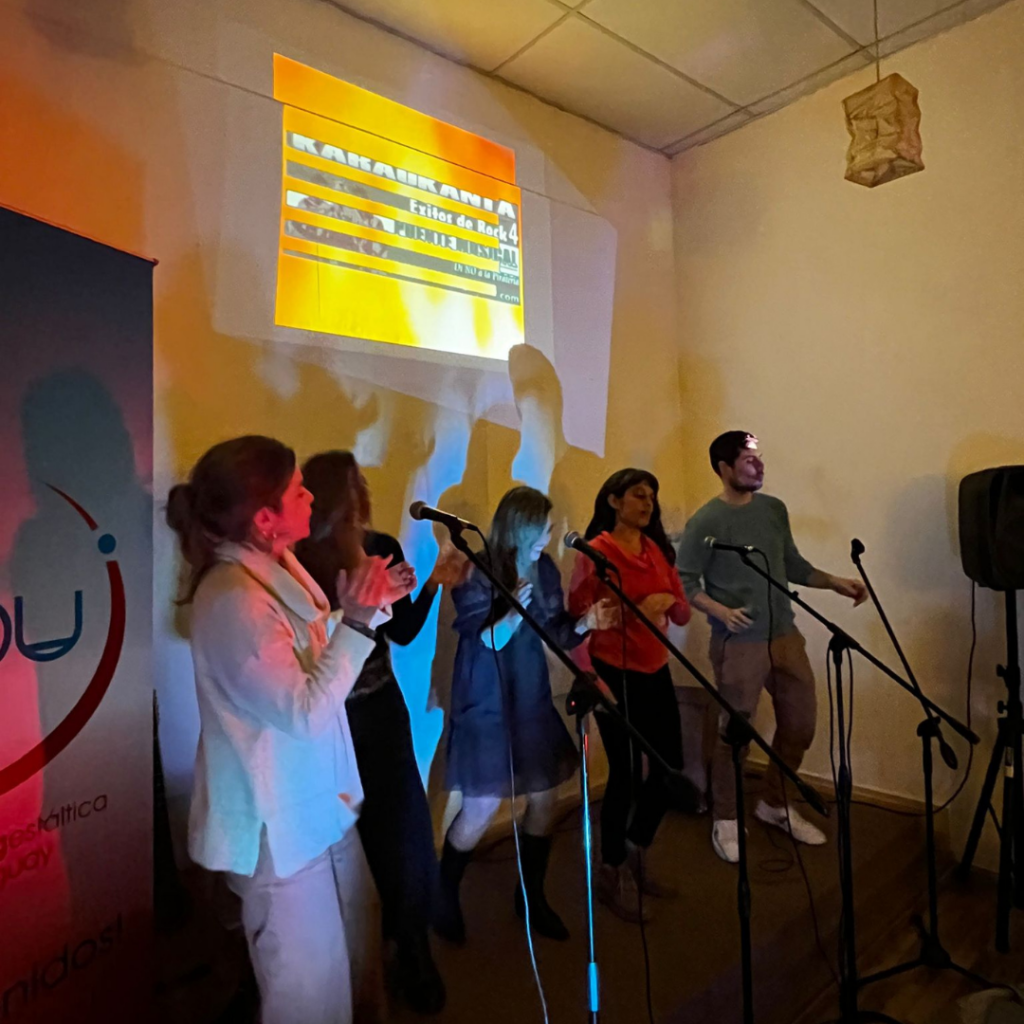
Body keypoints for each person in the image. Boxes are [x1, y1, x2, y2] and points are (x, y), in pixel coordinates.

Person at [166, 435, 411, 1024]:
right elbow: (303, 709)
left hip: (318, 806)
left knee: (356, 959)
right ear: (265, 517)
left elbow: (306, 653)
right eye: (298, 490)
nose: (310, 498)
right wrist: (357, 623)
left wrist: (368, 607)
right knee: (309, 995)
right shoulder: (232, 599)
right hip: (280, 829)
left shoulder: (273, 565)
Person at [295, 451, 463, 1016]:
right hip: (327, 721)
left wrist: (433, 583)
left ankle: (412, 948)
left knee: (405, 835)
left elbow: (406, 631)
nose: (362, 493)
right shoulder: (295, 561)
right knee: (344, 846)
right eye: (352, 486)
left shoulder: (381, 546)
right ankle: (350, 962)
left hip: (381, 713)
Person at [435, 486, 617, 944]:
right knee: (480, 808)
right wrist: (514, 612)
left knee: (544, 797)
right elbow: (488, 640)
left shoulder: (545, 569)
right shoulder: (478, 570)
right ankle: (444, 894)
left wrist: (585, 624)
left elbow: (556, 632)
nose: (549, 537)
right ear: (519, 526)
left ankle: (531, 896)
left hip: (529, 692)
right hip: (486, 697)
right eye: (543, 529)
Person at [676, 431, 867, 864]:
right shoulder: (705, 521)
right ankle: (726, 817)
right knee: (735, 734)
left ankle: (774, 804)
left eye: (758, 457)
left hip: (785, 635)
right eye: (748, 459)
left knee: (801, 724)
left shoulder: (773, 510)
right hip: (739, 644)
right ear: (724, 468)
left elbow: (791, 564)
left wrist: (834, 582)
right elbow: (684, 581)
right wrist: (721, 611)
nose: (758, 465)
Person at [568, 469, 692, 923]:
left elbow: (681, 612)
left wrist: (670, 602)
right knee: (624, 773)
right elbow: (578, 617)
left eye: (652, 496)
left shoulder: (656, 549)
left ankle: (637, 846)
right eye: (638, 495)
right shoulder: (596, 552)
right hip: (613, 672)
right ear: (614, 501)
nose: (648, 503)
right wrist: (639, 609)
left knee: (668, 765)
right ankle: (611, 868)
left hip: (655, 669)